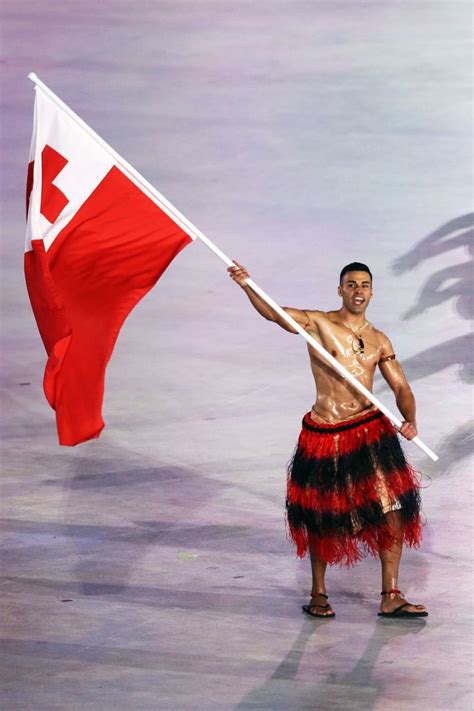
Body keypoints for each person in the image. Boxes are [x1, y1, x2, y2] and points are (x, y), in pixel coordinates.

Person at [228, 260, 428, 619]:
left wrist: (410, 420)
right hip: (325, 432)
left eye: (364, 285)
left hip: (369, 431)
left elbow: (400, 386)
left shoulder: (380, 340)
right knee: (322, 515)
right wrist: (247, 285)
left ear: (372, 292)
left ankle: (391, 593)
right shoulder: (319, 324)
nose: (358, 291)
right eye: (351, 285)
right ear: (340, 290)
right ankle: (318, 593)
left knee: (392, 510)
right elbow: (275, 314)